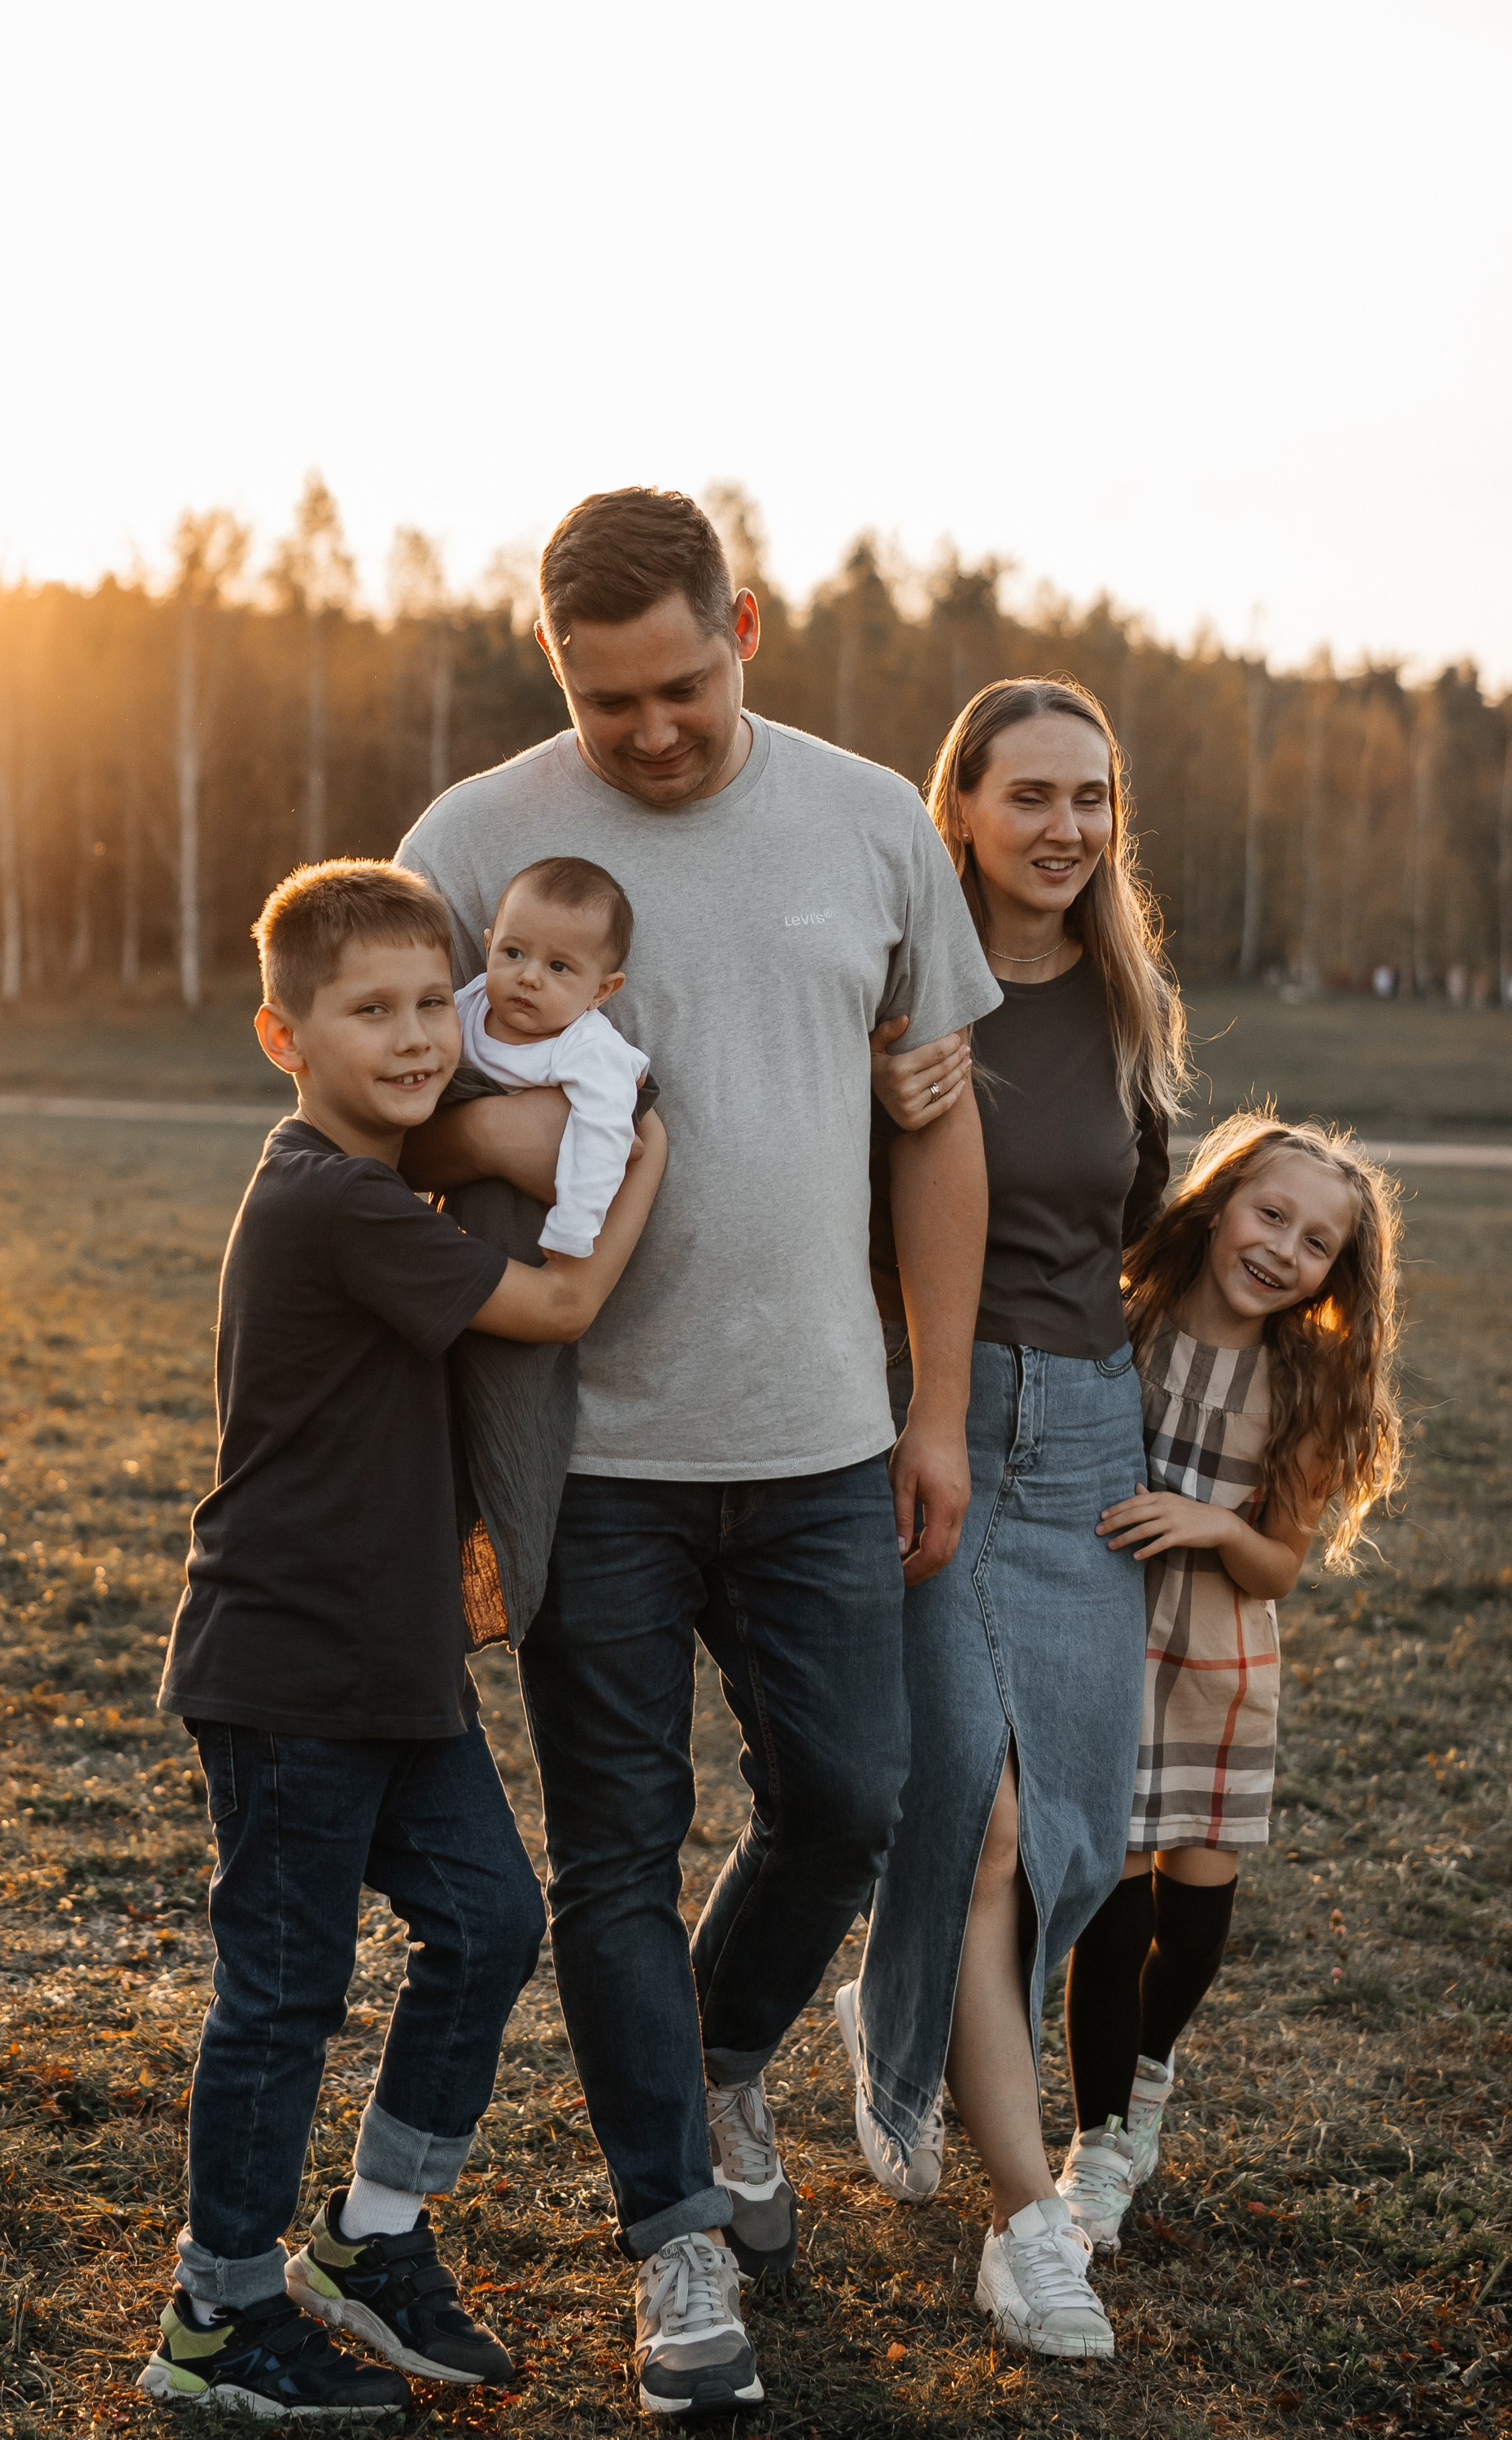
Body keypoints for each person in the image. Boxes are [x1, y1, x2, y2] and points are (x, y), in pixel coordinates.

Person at [396, 488, 999, 2418]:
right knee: (613, 1859)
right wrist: (485, 1146)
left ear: (740, 619)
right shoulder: (469, 842)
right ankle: (670, 2235)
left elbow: (936, 1119)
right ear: (549, 669)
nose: (646, 731)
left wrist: (928, 1409)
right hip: (579, 1455)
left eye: (678, 683)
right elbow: (371, 1094)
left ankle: (728, 2049)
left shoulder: (868, 822)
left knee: (847, 1793)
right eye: (601, 701)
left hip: (822, 1431)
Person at [141, 860, 667, 2418]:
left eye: (436, 999)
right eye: (371, 1010)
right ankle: (217, 2314)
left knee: (494, 1923)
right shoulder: (331, 1199)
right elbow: (562, 1311)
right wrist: (632, 1154)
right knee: (284, 1995)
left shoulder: (379, 1190)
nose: (420, 1033)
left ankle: (373, 2239)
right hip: (288, 1667)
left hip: (391, 1668)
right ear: (282, 1037)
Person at [839, 677, 1186, 2363]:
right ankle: (1029, 2225)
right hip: (931, 1430)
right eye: (1030, 795)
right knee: (973, 1820)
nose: (1065, 829)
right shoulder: (899, 996)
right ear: (957, 806)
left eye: (1092, 799)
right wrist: (867, 1113)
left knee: (1056, 1839)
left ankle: (893, 2015)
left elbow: (1148, 1244)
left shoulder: (1128, 1013)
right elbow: (801, 1212)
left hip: (1089, 1452)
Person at [1058, 1113, 1402, 2248]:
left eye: (1314, 1243)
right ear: (1216, 1203)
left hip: (1217, 1663)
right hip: (1107, 1641)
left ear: (1334, 1273)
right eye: (1270, 1214)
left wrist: (1214, 1522)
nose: (1282, 1250)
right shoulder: (1126, 1319)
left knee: (1192, 1923)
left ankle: (1151, 2067)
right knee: (1109, 1914)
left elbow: (1280, 1568)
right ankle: (1098, 2143)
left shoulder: (1304, 1386)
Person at [455, 854, 647, 1257]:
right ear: (489, 947)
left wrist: (573, 1227)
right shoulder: (467, 1004)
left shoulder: (589, 1049)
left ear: (601, 992)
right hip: (458, 1191)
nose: (529, 976)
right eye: (513, 953)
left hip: (540, 1214)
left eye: (558, 966)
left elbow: (604, 1137)